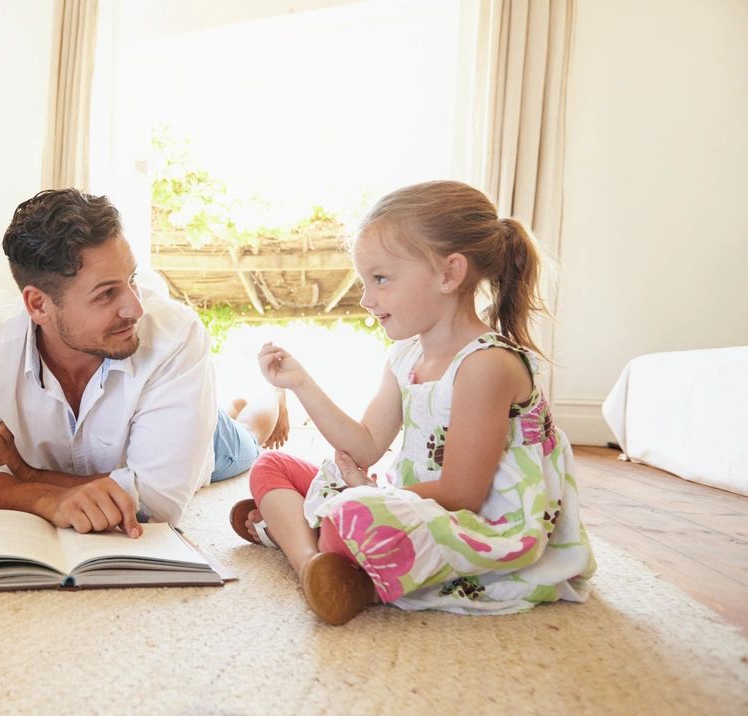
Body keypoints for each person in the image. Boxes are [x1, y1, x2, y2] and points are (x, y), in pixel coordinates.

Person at [231, 180, 595, 625]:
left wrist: (362, 494)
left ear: (448, 273)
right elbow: (364, 445)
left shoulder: (486, 365)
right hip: (407, 500)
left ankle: (313, 544)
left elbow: (463, 494)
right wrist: (301, 383)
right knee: (272, 467)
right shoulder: (406, 357)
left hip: (477, 524)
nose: (367, 299)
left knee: (354, 512)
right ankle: (315, 564)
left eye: (380, 279)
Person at [0, 188, 280, 535]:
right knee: (221, 410)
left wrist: (28, 477)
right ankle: (226, 405)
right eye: (107, 294)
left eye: (131, 280)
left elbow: (157, 502)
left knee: (249, 436)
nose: (135, 308)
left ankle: (274, 396)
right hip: (169, 413)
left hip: (209, 443)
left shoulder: (175, 337)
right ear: (38, 305)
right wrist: (42, 500)